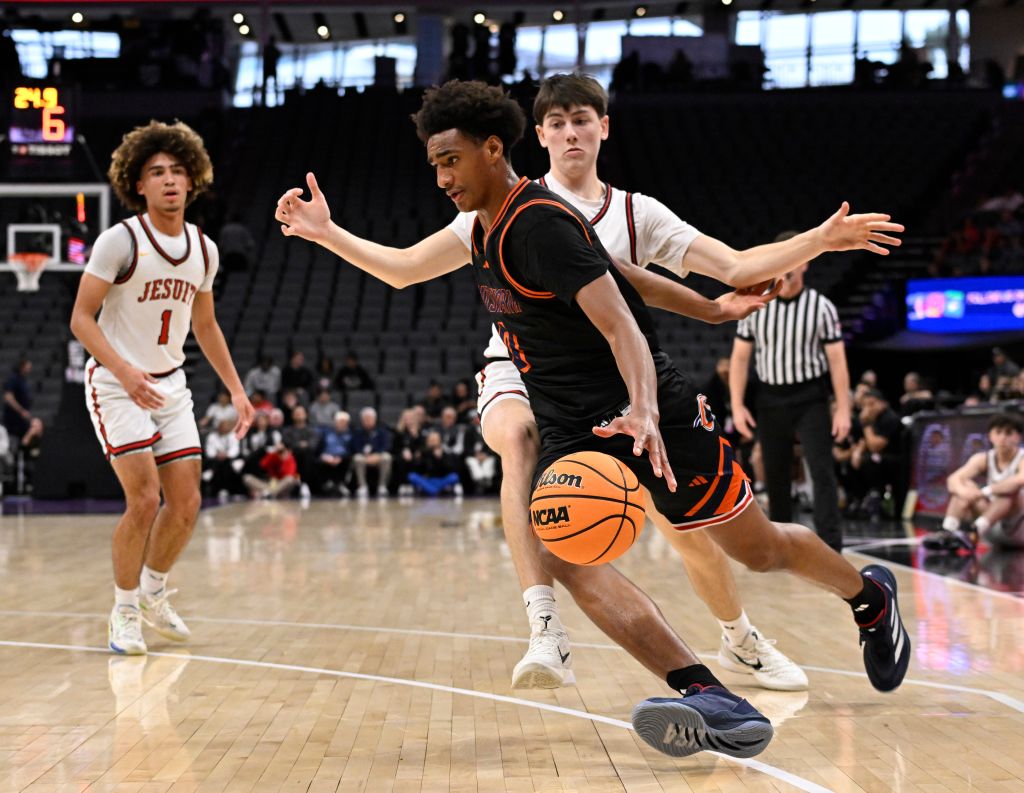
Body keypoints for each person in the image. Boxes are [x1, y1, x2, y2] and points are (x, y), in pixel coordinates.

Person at [276, 79, 909, 759]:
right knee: (563, 550)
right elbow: (602, 275)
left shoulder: (538, 223)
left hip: (651, 411)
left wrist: (641, 405)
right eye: (433, 164)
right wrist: (326, 232)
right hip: (574, 423)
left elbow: (622, 324)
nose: (441, 177)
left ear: (495, 150)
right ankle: (707, 695)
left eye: (451, 160)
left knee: (757, 549)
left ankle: (868, 594)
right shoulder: (486, 225)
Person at [70, 120, 254, 656]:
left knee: (188, 502)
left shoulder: (203, 248)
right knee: (145, 498)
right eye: (157, 172)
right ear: (139, 184)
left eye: (177, 170)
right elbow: (81, 318)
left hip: (170, 384)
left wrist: (238, 392)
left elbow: (207, 326)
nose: (170, 180)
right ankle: (123, 610)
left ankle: (153, 591)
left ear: (192, 180)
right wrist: (125, 371)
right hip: (115, 382)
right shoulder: (119, 240)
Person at [730, 252, 852, 552]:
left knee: (821, 469)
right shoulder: (759, 305)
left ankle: (831, 545)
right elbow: (740, 357)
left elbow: (837, 361)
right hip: (770, 397)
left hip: (810, 396)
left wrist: (844, 409)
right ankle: (781, 545)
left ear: (805, 263)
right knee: (775, 472)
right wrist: (736, 404)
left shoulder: (821, 307)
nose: (789, 268)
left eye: (796, 260)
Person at [924, 412, 1024, 553]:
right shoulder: (983, 458)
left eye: (1008, 433)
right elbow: (953, 479)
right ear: (990, 435)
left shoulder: (1021, 458)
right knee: (965, 485)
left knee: (1009, 492)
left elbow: (1020, 480)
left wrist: (985, 491)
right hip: (991, 525)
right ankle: (949, 531)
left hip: (1018, 529)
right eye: (999, 432)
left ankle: (974, 531)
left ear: (1018, 437)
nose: (1003, 438)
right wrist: (965, 493)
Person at [848, 388, 903, 519]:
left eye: (872, 404)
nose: (868, 409)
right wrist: (856, 454)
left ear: (883, 403)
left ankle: (876, 499)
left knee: (870, 461)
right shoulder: (874, 419)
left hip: (896, 459)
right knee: (850, 463)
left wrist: (866, 424)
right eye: (865, 405)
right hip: (879, 457)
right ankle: (859, 499)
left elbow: (874, 446)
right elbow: (862, 441)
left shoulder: (890, 418)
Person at [351, 406, 392, 498]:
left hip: (378, 456)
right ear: (362, 420)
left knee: (387, 457)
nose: (368, 421)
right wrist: (365, 456)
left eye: (370, 419)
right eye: (365, 419)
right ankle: (362, 486)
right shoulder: (358, 432)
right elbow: (355, 447)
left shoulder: (382, 431)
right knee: (357, 458)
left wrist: (377, 455)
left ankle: (382, 486)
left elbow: (386, 445)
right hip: (364, 457)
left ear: (375, 419)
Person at [3, 357, 34, 445]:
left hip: (21, 420)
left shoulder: (22, 380)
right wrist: (21, 411)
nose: (30, 368)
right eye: (28, 366)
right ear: (22, 366)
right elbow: (8, 398)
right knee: (12, 443)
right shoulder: (13, 379)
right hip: (13, 420)